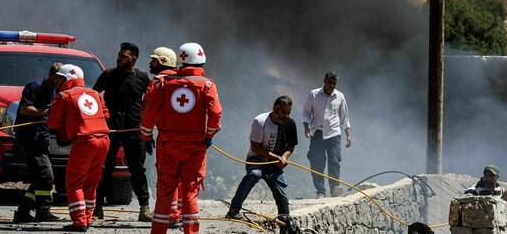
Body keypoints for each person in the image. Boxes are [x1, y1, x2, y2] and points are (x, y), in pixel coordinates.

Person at [141, 42, 222, 234]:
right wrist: (209, 135)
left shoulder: (164, 83)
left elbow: (149, 113)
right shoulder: (207, 84)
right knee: (190, 192)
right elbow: (216, 113)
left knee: (165, 191)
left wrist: (146, 135)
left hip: (167, 143)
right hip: (195, 146)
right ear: (201, 61)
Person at [92, 42, 152, 221]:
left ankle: (144, 208)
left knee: (137, 169)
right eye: (119, 55)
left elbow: (151, 100)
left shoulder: (142, 77)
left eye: (124, 56)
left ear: (133, 58)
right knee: (105, 168)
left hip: (134, 130)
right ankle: (98, 208)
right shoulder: (109, 74)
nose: (119, 58)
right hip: (111, 129)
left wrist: (148, 125)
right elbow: (94, 95)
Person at [48, 64, 111, 232]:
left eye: (61, 78)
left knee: (75, 182)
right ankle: (88, 218)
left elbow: (52, 123)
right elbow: (106, 114)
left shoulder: (64, 96)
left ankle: (79, 222)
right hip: (104, 139)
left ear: (67, 79)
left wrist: (66, 120)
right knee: (91, 182)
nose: (58, 81)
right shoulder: (94, 93)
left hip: (85, 142)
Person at [225, 95, 298, 226]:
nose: (286, 116)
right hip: (256, 158)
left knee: (280, 186)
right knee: (254, 175)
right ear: (275, 109)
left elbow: (291, 146)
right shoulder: (260, 121)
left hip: (274, 163)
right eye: (283, 112)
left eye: (288, 112)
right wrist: (276, 158)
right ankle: (233, 210)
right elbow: (255, 147)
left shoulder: (290, 123)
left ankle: (285, 219)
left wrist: (284, 158)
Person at [12, 62, 63, 223]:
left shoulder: (57, 91)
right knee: (46, 176)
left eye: (60, 79)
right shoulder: (34, 87)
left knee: (40, 177)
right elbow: (24, 109)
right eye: (56, 78)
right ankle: (43, 211)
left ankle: (23, 212)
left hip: (43, 137)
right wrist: (46, 113)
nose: (57, 81)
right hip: (29, 138)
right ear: (50, 75)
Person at [140, 46, 182, 229]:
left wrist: (146, 134)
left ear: (163, 62)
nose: (151, 63)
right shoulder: (184, 80)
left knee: (167, 176)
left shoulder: (158, 82)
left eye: (154, 60)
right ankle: (179, 213)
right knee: (183, 177)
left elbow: (147, 110)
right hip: (189, 137)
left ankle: (171, 215)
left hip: (168, 137)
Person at [303, 71, 351, 198]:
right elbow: (306, 113)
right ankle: (320, 191)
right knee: (317, 162)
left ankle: (335, 187)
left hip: (334, 134)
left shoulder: (340, 96)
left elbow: (344, 117)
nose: (331, 85)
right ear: (324, 81)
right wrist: (306, 129)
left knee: (334, 159)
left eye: (334, 83)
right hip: (317, 133)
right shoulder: (314, 94)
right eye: (329, 82)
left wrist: (348, 135)